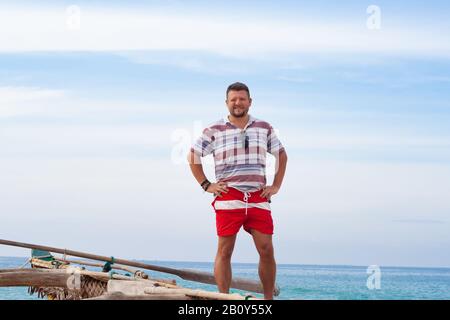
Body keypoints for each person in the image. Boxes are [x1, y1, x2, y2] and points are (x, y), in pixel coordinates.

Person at [187, 82, 288, 299]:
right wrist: (207, 184)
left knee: (266, 249)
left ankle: (268, 300)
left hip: (258, 195)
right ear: (227, 103)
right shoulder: (214, 129)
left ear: (249, 102)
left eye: (242, 99)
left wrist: (276, 185)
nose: (238, 103)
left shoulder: (264, 127)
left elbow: (281, 154)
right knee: (225, 250)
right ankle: (224, 298)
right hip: (228, 195)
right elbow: (193, 156)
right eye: (233, 99)